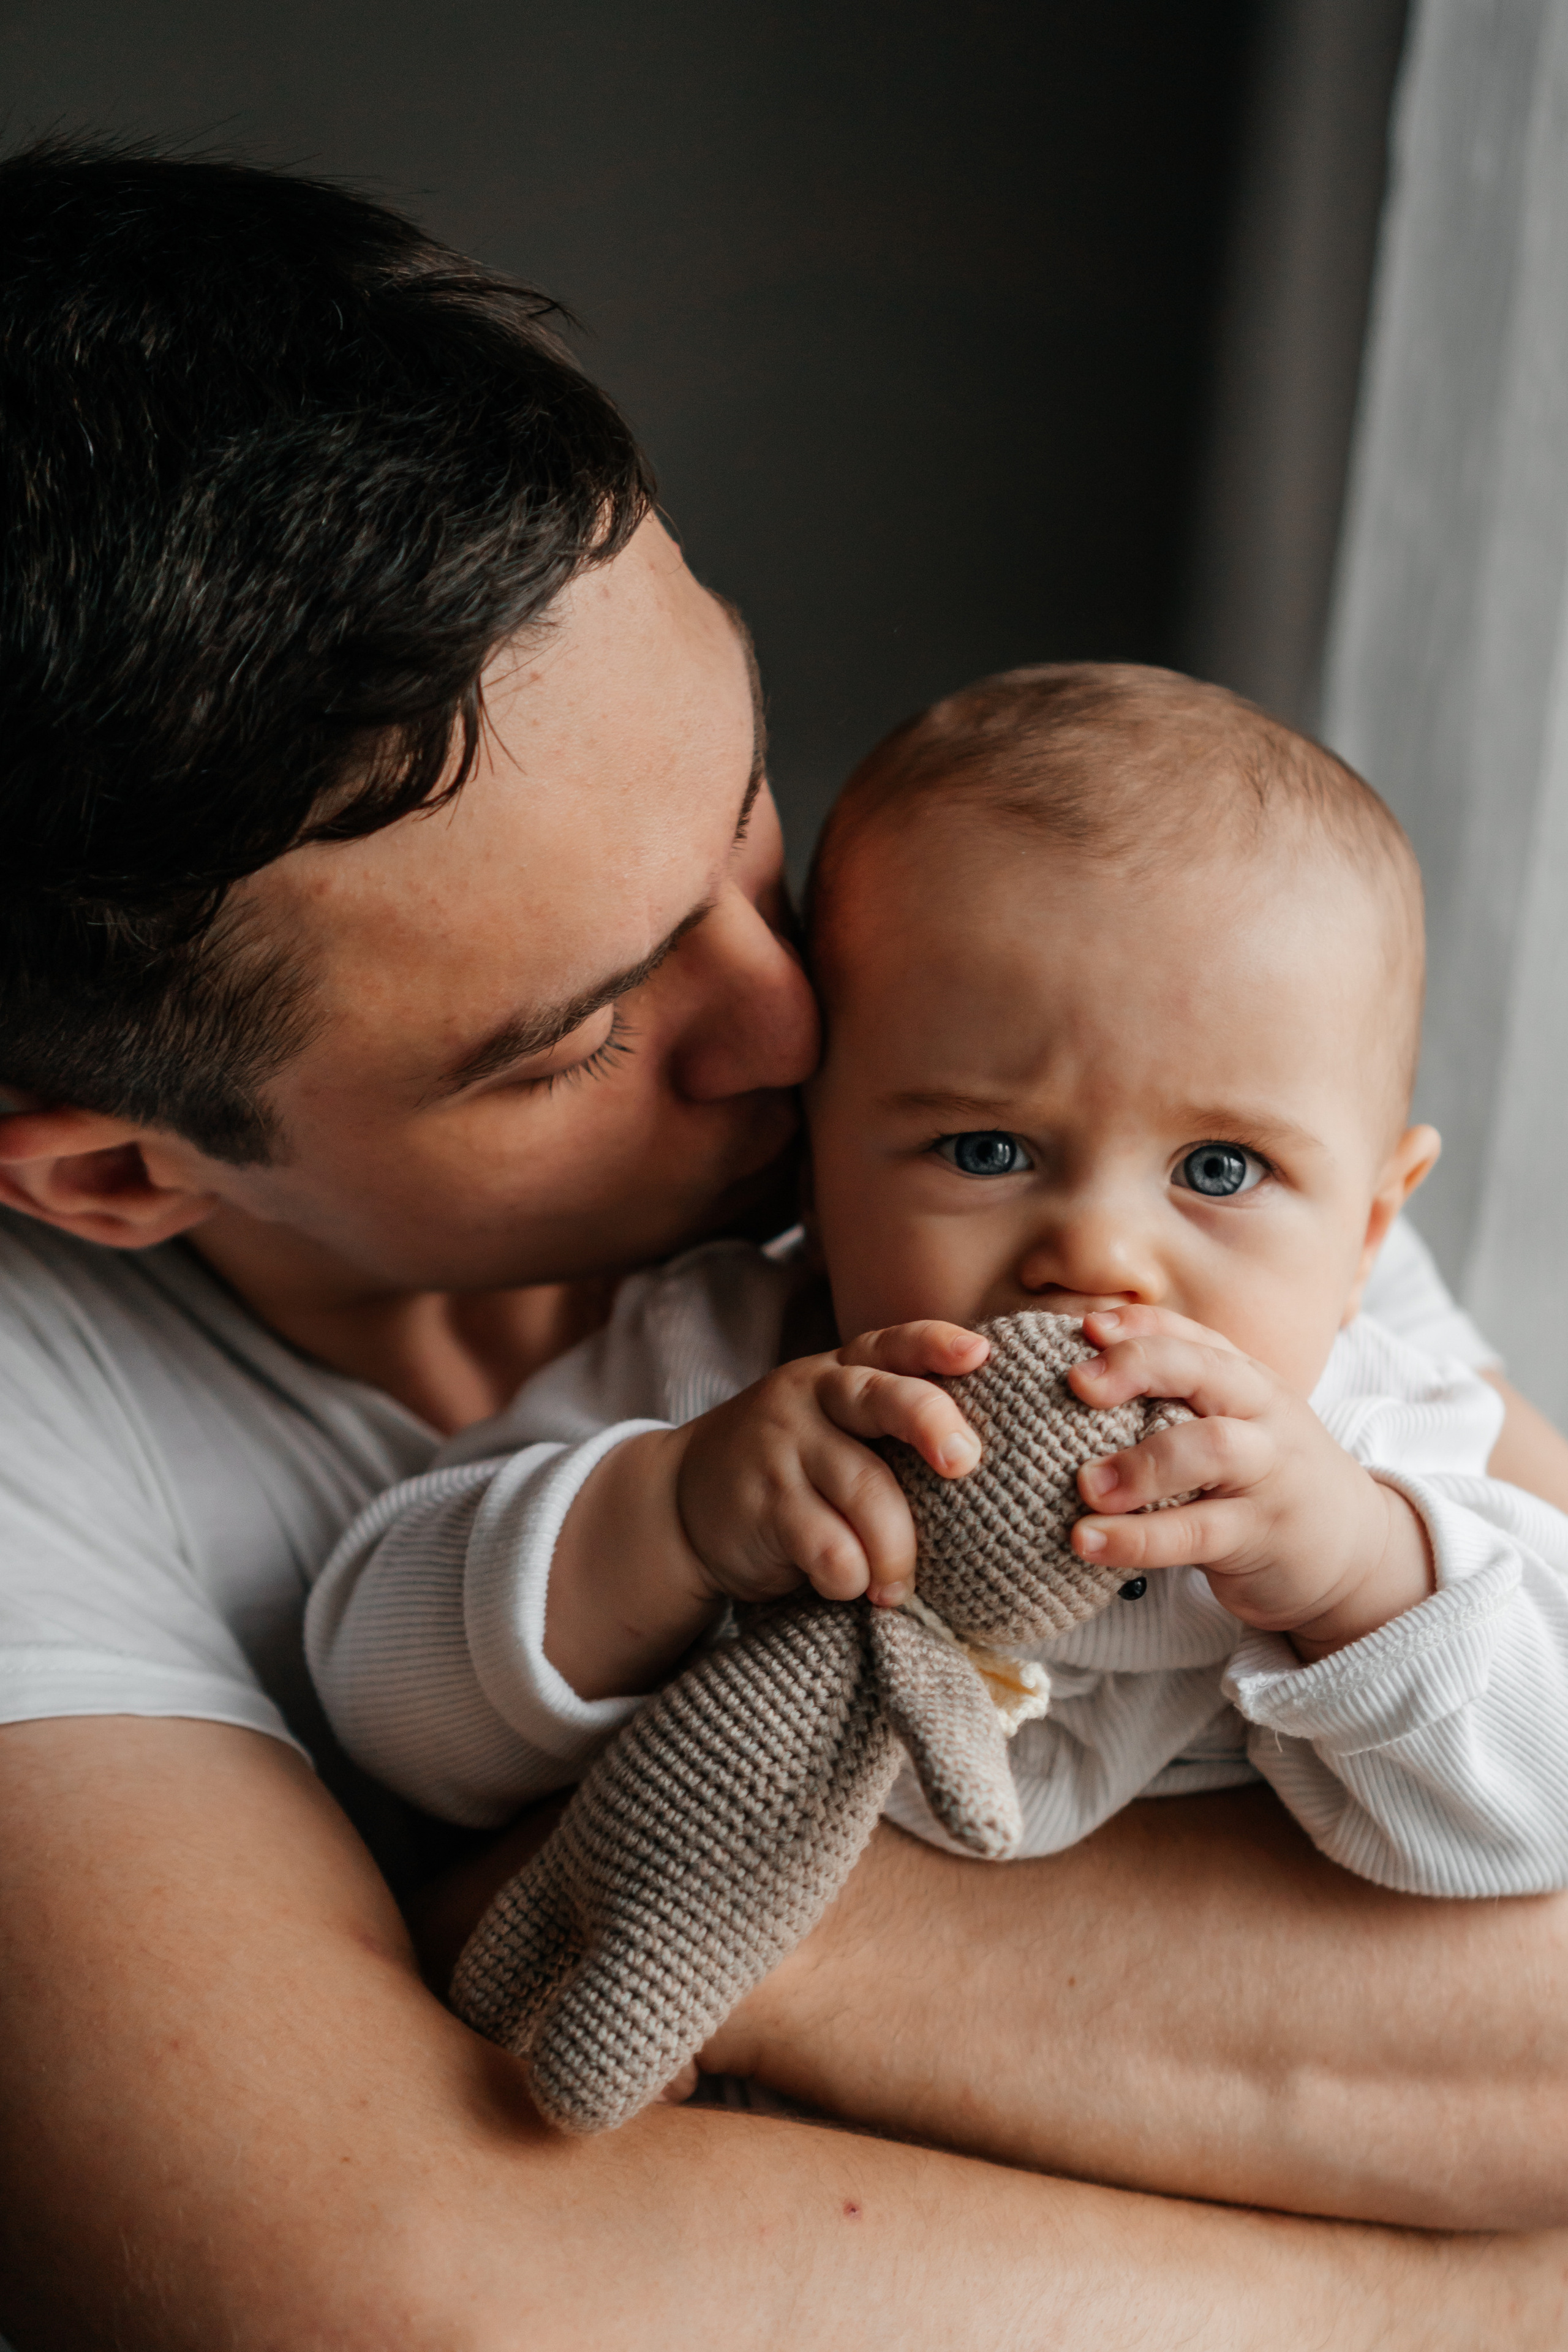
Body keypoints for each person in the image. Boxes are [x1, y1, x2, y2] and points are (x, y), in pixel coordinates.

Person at [0, 137, 1565, 2351]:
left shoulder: (1120, 1140)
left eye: (750, 807)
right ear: (113, 1177)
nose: (802, 1017)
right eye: (575, 1031)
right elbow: (389, 2277)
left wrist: (793, 1941)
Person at [308, 662, 1568, 1923]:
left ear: (1367, 1232)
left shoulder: (1387, 1449)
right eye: (985, 1151)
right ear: (813, 1163)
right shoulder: (728, 1363)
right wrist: (669, 1521)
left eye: (1218, 1169)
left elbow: (1533, 1820)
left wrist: (1360, 1585)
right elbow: (384, 1700)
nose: (1096, 1257)